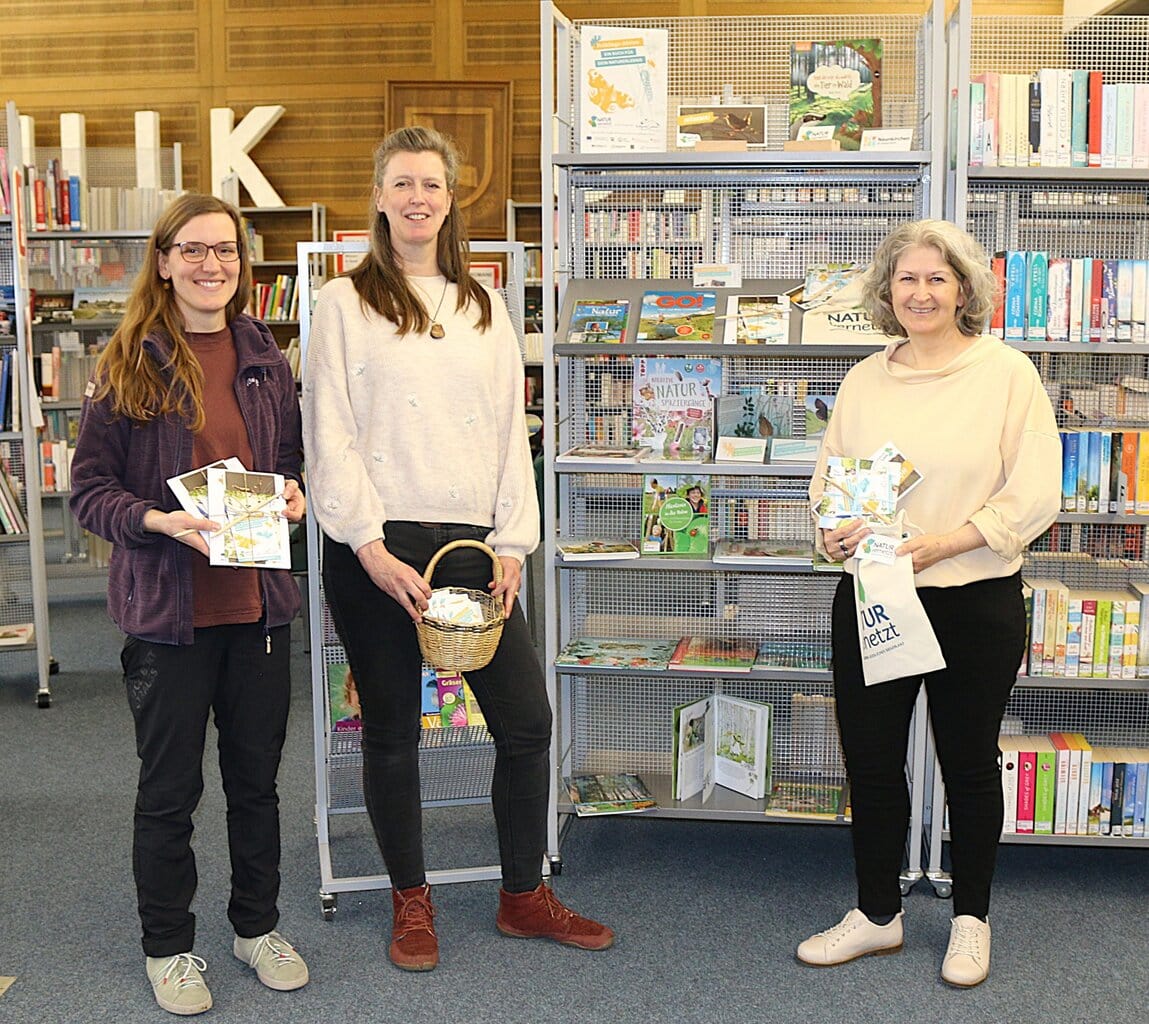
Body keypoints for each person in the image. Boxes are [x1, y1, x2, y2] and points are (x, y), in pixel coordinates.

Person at [300, 125, 612, 972]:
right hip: (378, 543)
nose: (416, 199)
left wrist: (512, 543)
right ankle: (411, 902)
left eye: (430, 185)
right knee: (392, 728)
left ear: (449, 199)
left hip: (473, 545)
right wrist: (366, 545)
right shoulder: (342, 304)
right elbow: (327, 433)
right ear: (378, 197)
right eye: (400, 184)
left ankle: (521, 897)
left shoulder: (483, 305)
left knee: (524, 721)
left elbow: (515, 431)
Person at [799, 219, 1060, 987]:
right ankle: (877, 916)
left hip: (971, 598)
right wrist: (834, 533)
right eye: (906, 279)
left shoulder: (1005, 373)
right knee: (871, 762)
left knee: (968, 765)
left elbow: (1035, 492)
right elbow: (828, 484)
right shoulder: (863, 379)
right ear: (887, 291)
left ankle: (970, 920)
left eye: (937, 279)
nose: (920, 292)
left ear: (964, 290)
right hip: (875, 598)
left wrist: (946, 543)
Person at [69, 193, 309, 1015]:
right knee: (169, 790)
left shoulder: (264, 355)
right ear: (164, 260)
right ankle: (168, 946)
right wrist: (153, 521)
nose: (213, 266)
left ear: (243, 267)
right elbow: (89, 490)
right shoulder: (125, 360)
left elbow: (289, 462)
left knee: (257, 784)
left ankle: (256, 927)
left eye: (228, 253)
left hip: (257, 608)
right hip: (168, 615)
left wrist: (294, 499)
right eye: (194, 250)